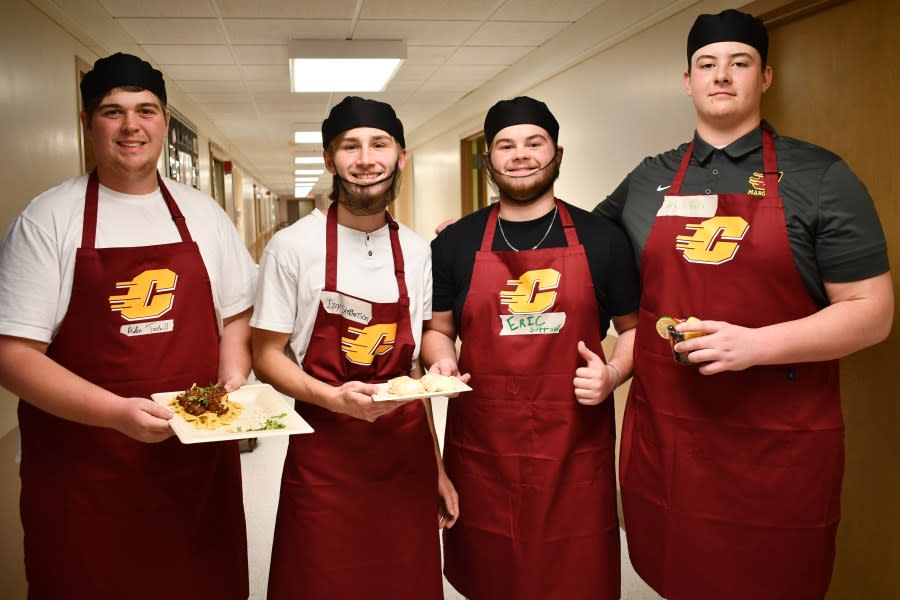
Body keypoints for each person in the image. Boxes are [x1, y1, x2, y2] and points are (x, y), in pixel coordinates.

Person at [593, 9, 894, 600]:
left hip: (776, 443)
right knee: (676, 575)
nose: (721, 76)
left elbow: (872, 310)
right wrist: (472, 234)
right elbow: (577, 250)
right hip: (671, 436)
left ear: (766, 78)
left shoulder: (822, 176)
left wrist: (755, 344)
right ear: (687, 81)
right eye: (707, 64)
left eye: (740, 62)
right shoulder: (648, 179)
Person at [0, 53, 257, 599]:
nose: (131, 126)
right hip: (85, 476)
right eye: (112, 112)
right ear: (87, 123)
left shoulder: (204, 214)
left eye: (146, 110)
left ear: (164, 120)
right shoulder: (49, 220)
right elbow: (13, 355)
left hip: (194, 467)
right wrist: (115, 414)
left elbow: (237, 316)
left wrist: (230, 383)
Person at [422, 96, 641, 600]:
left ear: (557, 153)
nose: (521, 155)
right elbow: (438, 329)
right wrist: (442, 360)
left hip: (573, 446)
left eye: (534, 142)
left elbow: (634, 330)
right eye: (506, 145)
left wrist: (612, 375)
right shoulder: (455, 243)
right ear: (489, 161)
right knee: (491, 573)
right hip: (483, 442)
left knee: (573, 576)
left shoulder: (602, 239)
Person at [251, 96, 456, 600]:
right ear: (330, 160)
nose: (366, 158)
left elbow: (412, 369)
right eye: (350, 146)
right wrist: (331, 398)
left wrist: (437, 467)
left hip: (404, 458)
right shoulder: (292, 247)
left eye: (379, 144)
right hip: (325, 460)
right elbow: (267, 355)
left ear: (400, 156)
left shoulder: (416, 250)